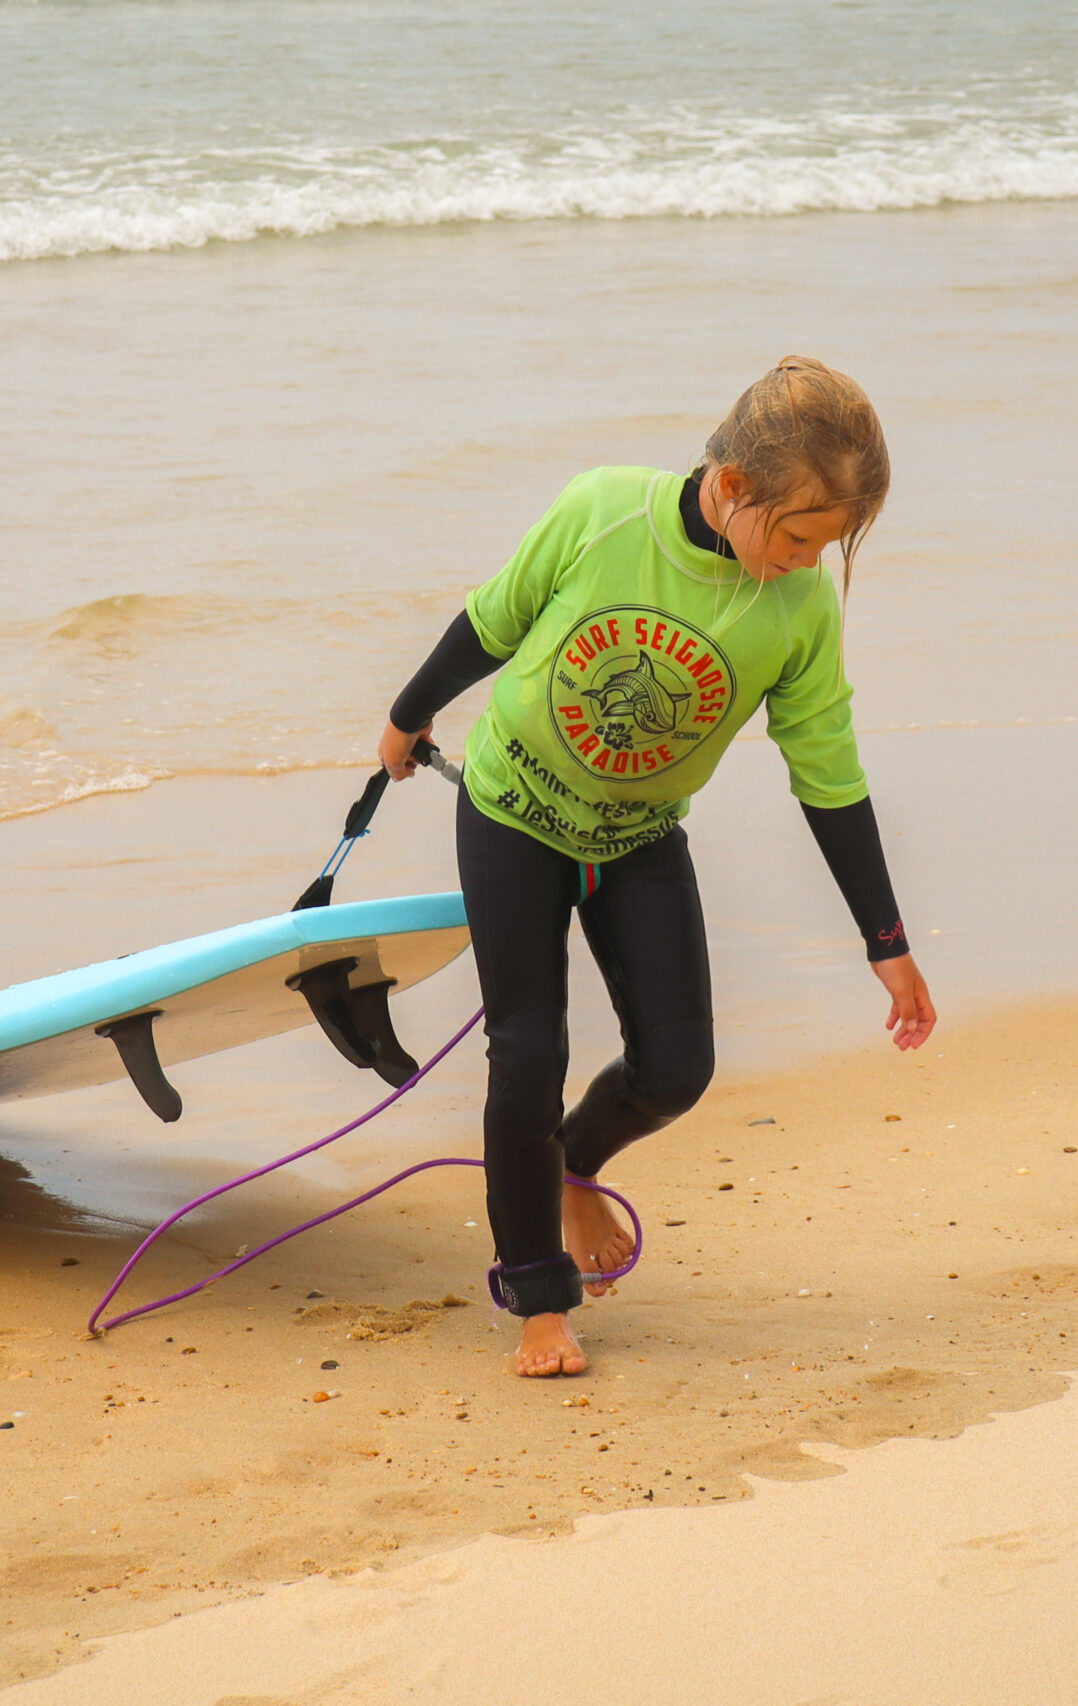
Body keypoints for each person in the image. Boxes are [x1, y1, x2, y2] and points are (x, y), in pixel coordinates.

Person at [377, 355, 937, 1378]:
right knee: (527, 1048)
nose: (807, 562)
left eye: (827, 546)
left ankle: (574, 1163)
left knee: (677, 1068)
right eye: (798, 536)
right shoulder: (601, 512)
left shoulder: (800, 609)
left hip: (635, 839)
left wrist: (885, 941)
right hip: (512, 813)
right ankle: (539, 1301)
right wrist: (410, 712)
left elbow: (828, 772)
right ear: (730, 488)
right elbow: (494, 621)